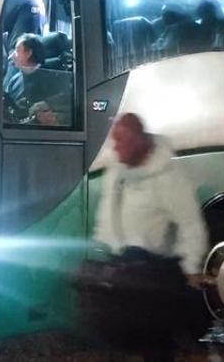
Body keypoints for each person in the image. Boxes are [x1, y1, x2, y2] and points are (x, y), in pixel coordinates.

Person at [82, 113, 211, 351]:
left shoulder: (168, 176)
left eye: (121, 140)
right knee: (122, 335)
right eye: (115, 140)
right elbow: (108, 212)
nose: (116, 147)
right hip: (124, 266)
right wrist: (103, 247)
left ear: (139, 141)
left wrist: (192, 267)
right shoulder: (117, 171)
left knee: (156, 339)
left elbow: (190, 223)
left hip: (154, 271)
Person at [4, 34, 71, 125]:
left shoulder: (55, 76)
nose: (11, 56)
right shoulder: (14, 81)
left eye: (17, 50)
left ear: (28, 53)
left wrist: (47, 104)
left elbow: (68, 101)